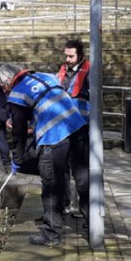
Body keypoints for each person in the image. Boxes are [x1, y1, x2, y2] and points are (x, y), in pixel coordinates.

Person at [0, 61, 87, 247]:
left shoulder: (18, 93)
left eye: (3, 86)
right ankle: (92, 225)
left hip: (54, 136)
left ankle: (52, 233)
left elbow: (18, 131)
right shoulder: (47, 76)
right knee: (84, 180)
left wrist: (18, 158)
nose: (4, 90)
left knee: (51, 183)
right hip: (78, 126)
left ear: (7, 82)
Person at [56, 40, 91, 221]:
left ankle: (87, 215)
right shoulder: (62, 72)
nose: (67, 59)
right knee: (61, 170)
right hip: (63, 128)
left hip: (81, 128)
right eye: (66, 56)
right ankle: (65, 206)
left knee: (82, 174)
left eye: (71, 56)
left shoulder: (90, 72)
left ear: (80, 55)